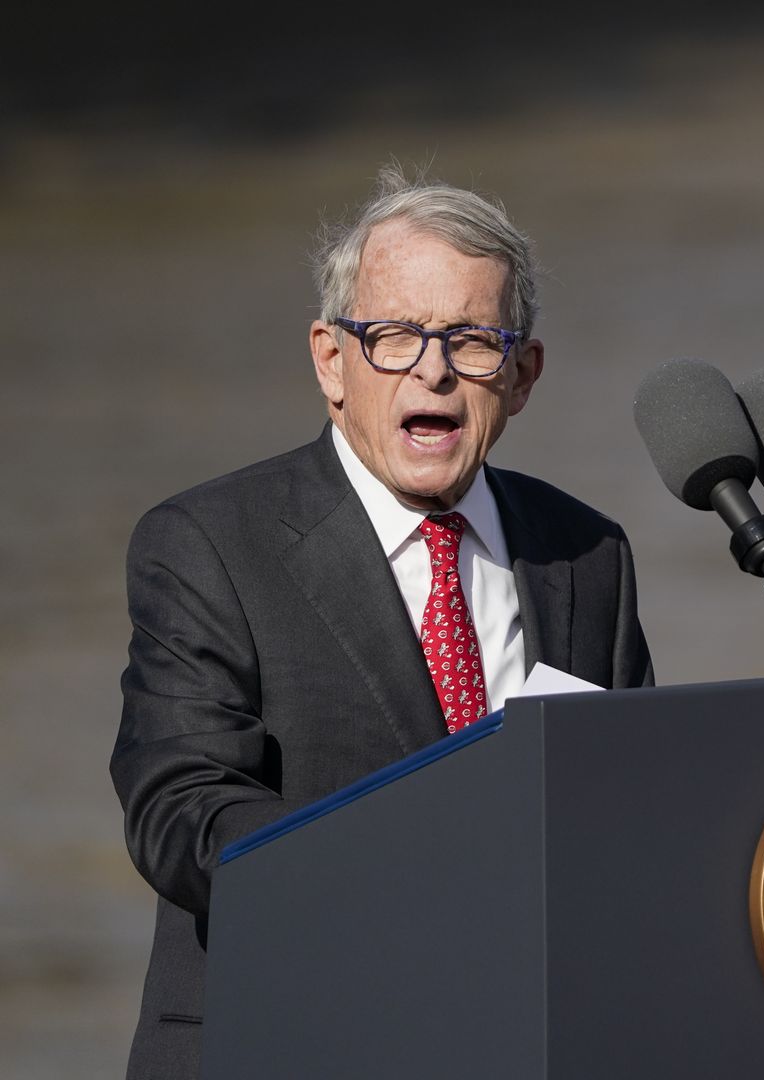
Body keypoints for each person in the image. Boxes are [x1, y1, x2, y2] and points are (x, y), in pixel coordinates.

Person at [109, 167, 652, 1078]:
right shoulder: (206, 544)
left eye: (474, 340)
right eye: (396, 336)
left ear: (521, 375)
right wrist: (411, 859)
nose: (433, 369)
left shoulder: (586, 552)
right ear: (331, 360)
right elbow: (178, 811)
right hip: (287, 1042)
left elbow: (632, 804)